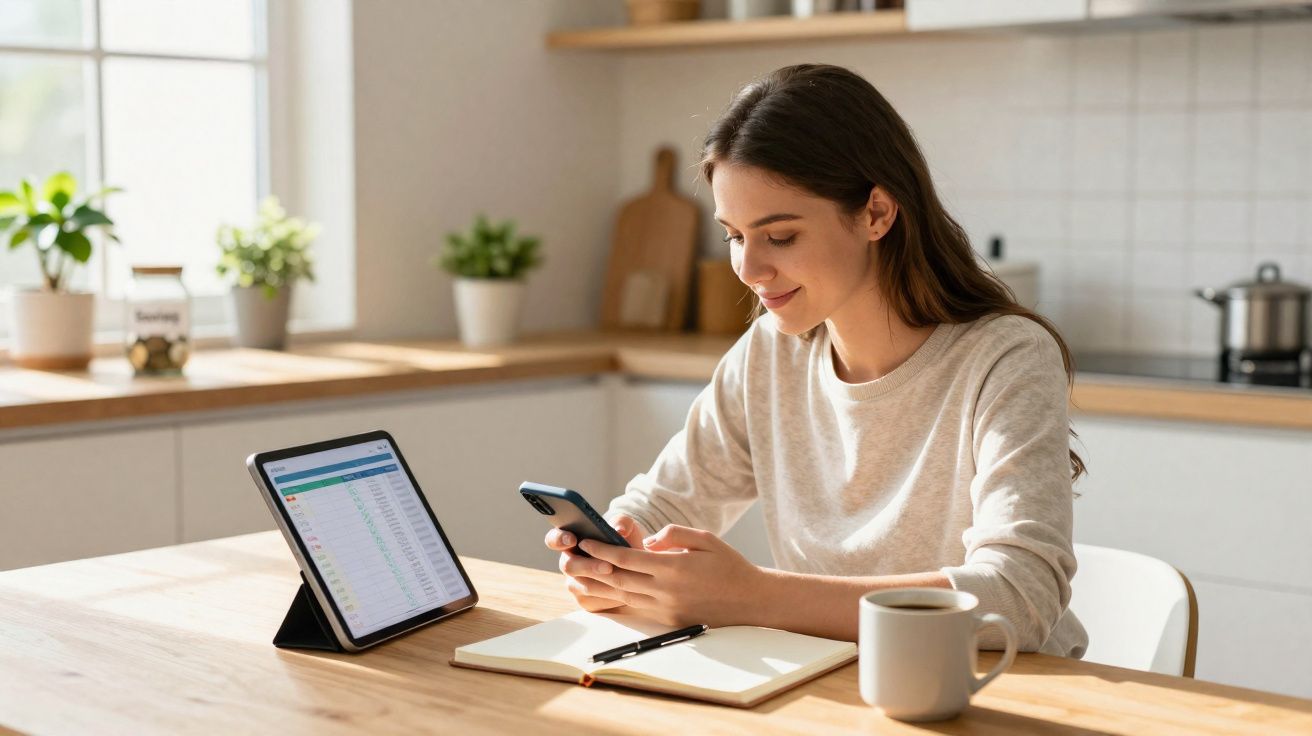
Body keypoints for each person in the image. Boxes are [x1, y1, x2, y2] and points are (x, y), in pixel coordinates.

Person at [545, 63, 1087, 657]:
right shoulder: (770, 352)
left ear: (877, 213)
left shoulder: (1004, 357)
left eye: (780, 236)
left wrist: (753, 596)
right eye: (733, 235)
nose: (750, 270)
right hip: (828, 686)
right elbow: (661, 504)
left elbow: (1019, 598)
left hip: (994, 693)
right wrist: (613, 554)